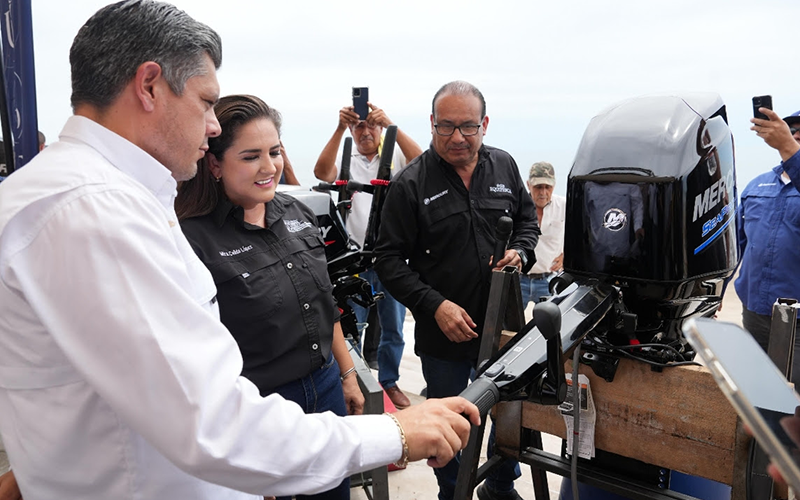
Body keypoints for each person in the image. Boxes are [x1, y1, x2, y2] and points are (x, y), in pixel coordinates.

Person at [0, 2, 479, 499]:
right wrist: (395, 432)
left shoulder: (83, 197)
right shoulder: (94, 211)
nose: (212, 126)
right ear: (149, 86)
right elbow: (213, 425)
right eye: (206, 102)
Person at [176, 94, 364, 499]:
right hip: (258, 409)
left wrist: (348, 375)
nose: (269, 167)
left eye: (274, 152)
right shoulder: (191, 240)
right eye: (251, 156)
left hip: (325, 389)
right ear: (214, 164)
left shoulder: (298, 214)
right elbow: (195, 356)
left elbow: (324, 304)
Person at [373, 81, 539, 500]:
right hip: (443, 335)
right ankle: (453, 492)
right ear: (431, 123)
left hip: (502, 327)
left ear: (485, 124)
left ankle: (500, 487)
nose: (457, 137)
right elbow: (387, 260)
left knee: (510, 413)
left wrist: (520, 252)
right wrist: (435, 306)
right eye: (446, 126)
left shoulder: (504, 166)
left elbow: (527, 223)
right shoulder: (410, 184)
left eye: (468, 127)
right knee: (447, 426)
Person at [314, 100, 423, 409]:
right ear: (351, 129)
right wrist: (339, 129)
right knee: (353, 327)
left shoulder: (394, 155)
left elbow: (422, 162)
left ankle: (389, 382)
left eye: (372, 125)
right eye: (359, 125)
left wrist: (391, 125)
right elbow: (321, 171)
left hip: (390, 258)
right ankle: (358, 382)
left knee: (394, 328)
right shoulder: (346, 158)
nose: (366, 132)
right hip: (353, 260)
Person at [735, 107, 800, 385]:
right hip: (754, 312)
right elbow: (735, 246)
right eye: (792, 129)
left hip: (798, 320)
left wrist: (789, 148)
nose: (795, 134)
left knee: (794, 394)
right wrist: (713, 294)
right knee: (759, 389)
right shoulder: (756, 185)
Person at [520, 162, 565, 308]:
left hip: (549, 280)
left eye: (548, 187)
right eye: (538, 187)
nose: (543, 192)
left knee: (550, 321)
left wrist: (567, 255)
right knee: (509, 321)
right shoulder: (517, 206)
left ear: (554, 186)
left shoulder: (564, 206)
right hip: (519, 279)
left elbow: (580, 235)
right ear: (528, 185)